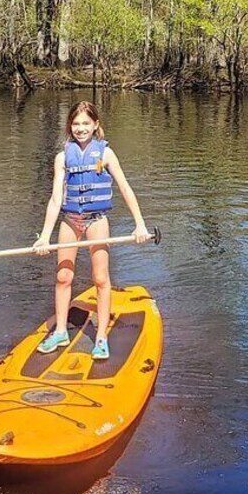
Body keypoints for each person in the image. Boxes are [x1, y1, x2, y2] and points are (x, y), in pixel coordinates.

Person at [33, 101, 150, 360]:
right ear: (69, 126)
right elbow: (55, 200)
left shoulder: (106, 154)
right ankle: (61, 331)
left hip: (97, 220)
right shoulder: (62, 158)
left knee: (100, 279)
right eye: (76, 124)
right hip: (70, 220)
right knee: (63, 277)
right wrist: (44, 236)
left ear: (95, 125)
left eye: (86, 123)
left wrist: (139, 224)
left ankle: (100, 338)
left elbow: (125, 188)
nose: (81, 128)